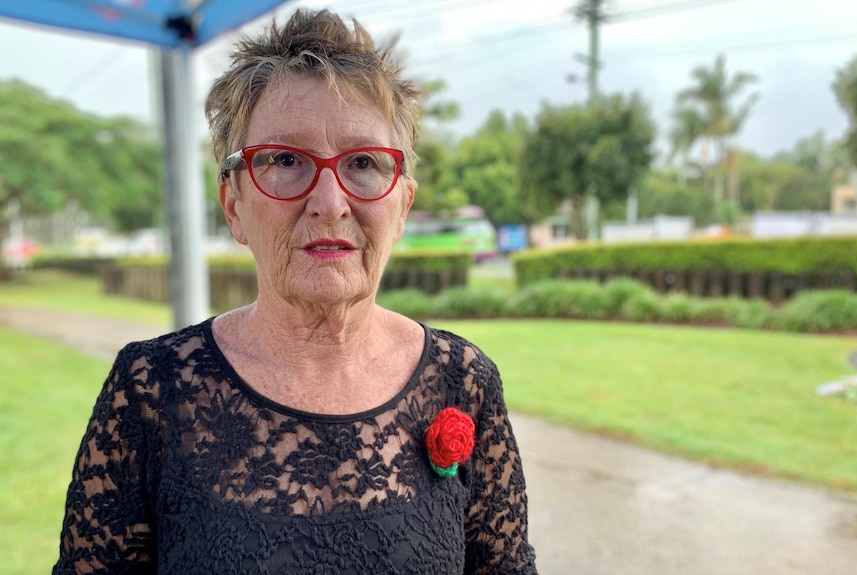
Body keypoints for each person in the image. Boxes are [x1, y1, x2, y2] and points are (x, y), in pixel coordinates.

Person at [53, 8, 537, 574]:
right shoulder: (151, 391)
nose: (329, 202)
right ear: (235, 206)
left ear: (401, 205)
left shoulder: (464, 382)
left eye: (362, 162)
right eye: (285, 160)